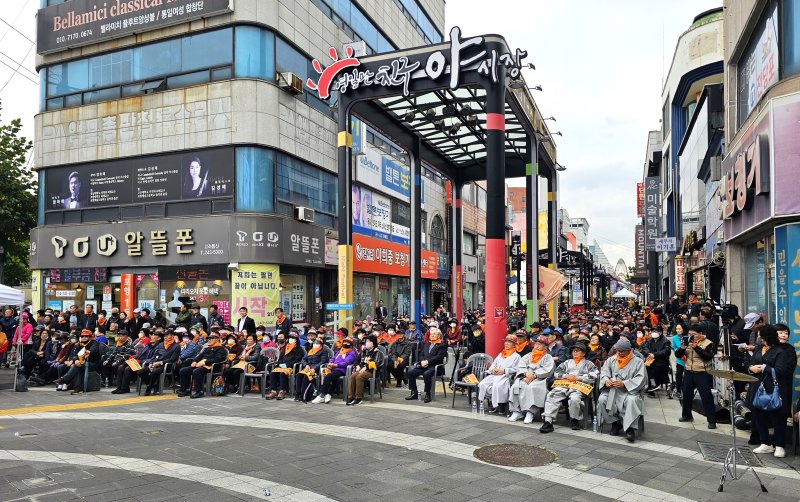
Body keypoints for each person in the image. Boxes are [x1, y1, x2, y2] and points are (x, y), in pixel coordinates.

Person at [747, 324, 796, 458]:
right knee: (758, 413)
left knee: (778, 416)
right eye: (781, 332)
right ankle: (765, 443)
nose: (783, 335)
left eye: (786, 332)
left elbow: (781, 370)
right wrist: (751, 368)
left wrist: (763, 368)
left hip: (776, 388)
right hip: (758, 386)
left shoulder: (782, 351)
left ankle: (779, 445)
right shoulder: (759, 349)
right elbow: (750, 363)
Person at [597, 337, 647, 442]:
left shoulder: (638, 361)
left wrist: (624, 383)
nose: (620, 353)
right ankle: (615, 423)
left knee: (632, 401)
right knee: (602, 399)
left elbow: (641, 379)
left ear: (630, 350)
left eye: (623, 351)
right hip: (613, 390)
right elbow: (604, 373)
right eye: (618, 351)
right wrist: (606, 380)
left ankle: (630, 428)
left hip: (630, 391)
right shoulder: (611, 360)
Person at [540, 342, 599, 432]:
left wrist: (579, 378)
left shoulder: (589, 364)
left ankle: (575, 420)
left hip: (579, 387)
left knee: (575, 398)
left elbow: (595, 375)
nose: (575, 352)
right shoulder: (567, 362)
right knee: (552, 394)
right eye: (574, 351)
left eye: (578, 351)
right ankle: (548, 421)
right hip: (565, 385)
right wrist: (566, 376)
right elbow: (556, 372)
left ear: (583, 353)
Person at [675, 324, 717, 429]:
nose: (691, 336)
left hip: (702, 372)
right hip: (689, 371)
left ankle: (711, 420)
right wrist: (682, 348)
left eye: (694, 334)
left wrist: (696, 348)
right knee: (686, 395)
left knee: (706, 396)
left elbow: (708, 357)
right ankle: (686, 415)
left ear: (701, 334)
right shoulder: (687, 342)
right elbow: (678, 355)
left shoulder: (709, 343)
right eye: (690, 334)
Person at [508, 335, 553, 422]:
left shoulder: (548, 357)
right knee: (516, 386)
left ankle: (530, 413)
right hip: (525, 376)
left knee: (532, 387)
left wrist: (534, 375)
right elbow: (521, 365)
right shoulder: (528, 355)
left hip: (539, 379)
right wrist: (526, 373)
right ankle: (517, 412)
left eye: (540, 344)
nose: (537, 346)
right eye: (536, 344)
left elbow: (547, 370)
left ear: (545, 346)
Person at [177, 333, 229, 398]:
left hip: (212, 367)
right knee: (183, 370)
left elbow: (218, 359)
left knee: (196, 371)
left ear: (217, 339)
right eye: (208, 339)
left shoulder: (221, 349)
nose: (209, 340)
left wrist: (205, 362)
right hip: (201, 365)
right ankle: (185, 390)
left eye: (211, 338)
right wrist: (195, 361)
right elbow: (199, 356)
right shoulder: (207, 348)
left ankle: (199, 391)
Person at [405, 327, 448, 403]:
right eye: (431, 334)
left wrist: (427, 362)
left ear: (438, 335)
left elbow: (439, 357)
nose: (432, 335)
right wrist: (422, 362)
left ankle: (428, 394)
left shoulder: (442, 344)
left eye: (434, 334)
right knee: (411, 372)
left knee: (426, 374)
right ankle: (414, 392)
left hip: (435, 367)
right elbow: (421, 355)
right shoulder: (427, 343)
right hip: (423, 366)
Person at [312, 336, 358, 404]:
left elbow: (346, 362)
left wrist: (336, 365)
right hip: (333, 368)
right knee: (324, 374)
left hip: (341, 370)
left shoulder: (352, 353)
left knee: (328, 377)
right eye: (344, 342)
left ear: (351, 345)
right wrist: (330, 363)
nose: (345, 344)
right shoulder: (340, 351)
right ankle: (328, 394)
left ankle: (322, 395)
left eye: (347, 343)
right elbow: (333, 358)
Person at [138, 330, 181, 395]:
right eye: (164, 336)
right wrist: (151, 363)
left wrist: (161, 362)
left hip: (167, 366)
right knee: (140, 372)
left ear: (172, 336)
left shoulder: (176, 346)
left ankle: (149, 388)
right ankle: (152, 385)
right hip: (156, 364)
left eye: (167, 336)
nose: (165, 337)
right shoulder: (161, 344)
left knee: (154, 371)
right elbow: (155, 355)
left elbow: (173, 359)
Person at [266, 332, 304, 400]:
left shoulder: (299, 349)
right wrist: (280, 364)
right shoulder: (286, 348)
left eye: (293, 338)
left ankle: (283, 391)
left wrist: (287, 365)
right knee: (272, 373)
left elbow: (298, 360)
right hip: (282, 366)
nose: (291, 339)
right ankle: (273, 391)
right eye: (290, 338)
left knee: (282, 374)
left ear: (296, 339)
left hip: (291, 367)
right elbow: (280, 358)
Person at [346, 334, 380, 406]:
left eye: (368, 341)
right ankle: (351, 397)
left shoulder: (376, 352)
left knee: (359, 377)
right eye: (366, 341)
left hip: (371, 371)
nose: (366, 343)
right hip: (361, 370)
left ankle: (359, 398)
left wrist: (366, 367)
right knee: (352, 376)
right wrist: (357, 365)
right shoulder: (364, 351)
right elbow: (356, 360)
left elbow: (375, 363)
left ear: (373, 342)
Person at [295, 335, 330, 402]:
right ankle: (297, 394)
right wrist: (306, 365)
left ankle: (303, 396)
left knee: (306, 376)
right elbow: (303, 359)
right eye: (314, 343)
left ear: (321, 345)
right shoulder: (310, 351)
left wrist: (314, 368)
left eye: (317, 343)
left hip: (316, 370)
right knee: (298, 375)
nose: (315, 344)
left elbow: (323, 361)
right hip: (307, 369)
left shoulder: (323, 352)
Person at [641, 327, 671, 396]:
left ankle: (654, 385)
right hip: (650, 360)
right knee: (648, 369)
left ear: (660, 332)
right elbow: (645, 348)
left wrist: (654, 354)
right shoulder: (649, 340)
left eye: (656, 331)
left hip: (661, 361)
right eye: (653, 331)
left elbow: (666, 351)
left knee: (656, 369)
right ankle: (652, 385)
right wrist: (648, 354)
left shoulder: (665, 341)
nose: (653, 333)